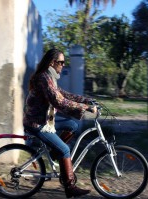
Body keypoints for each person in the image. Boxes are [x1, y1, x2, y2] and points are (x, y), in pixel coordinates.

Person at [23, 48, 97, 198]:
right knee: (65, 150)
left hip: (45, 121)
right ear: (52, 62)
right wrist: (86, 107)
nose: (63, 65)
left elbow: (64, 94)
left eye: (64, 62)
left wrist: (87, 100)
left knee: (73, 125)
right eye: (61, 62)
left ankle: (54, 152)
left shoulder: (50, 78)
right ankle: (69, 187)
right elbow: (59, 101)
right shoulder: (44, 78)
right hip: (36, 123)